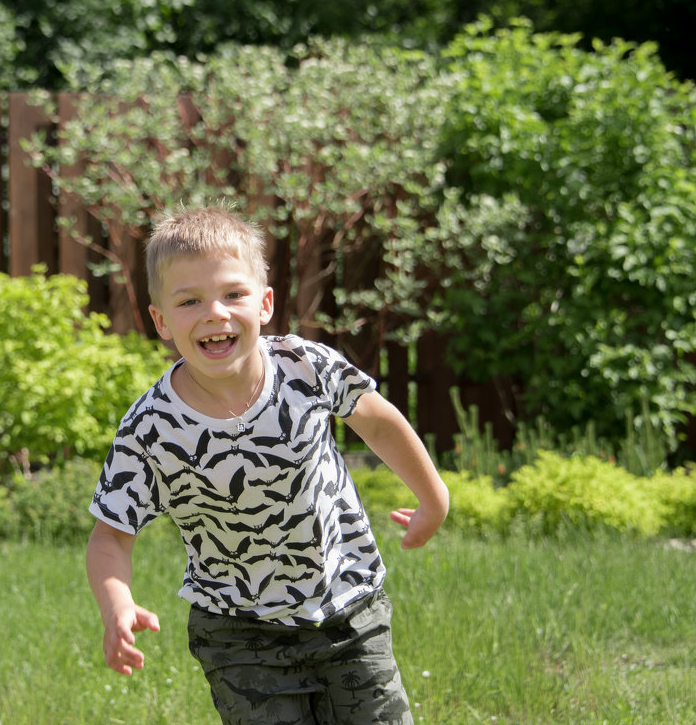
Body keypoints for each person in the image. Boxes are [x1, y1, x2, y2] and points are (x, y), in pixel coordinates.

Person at [86, 204, 449, 725]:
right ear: (161, 321)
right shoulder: (151, 428)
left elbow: (380, 422)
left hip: (348, 604)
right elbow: (109, 536)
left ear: (265, 303)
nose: (215, 312)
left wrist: (434, 499)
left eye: (233, 293)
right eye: (190, 301)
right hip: (238, 632)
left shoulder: (307, 368)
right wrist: (116, 605)